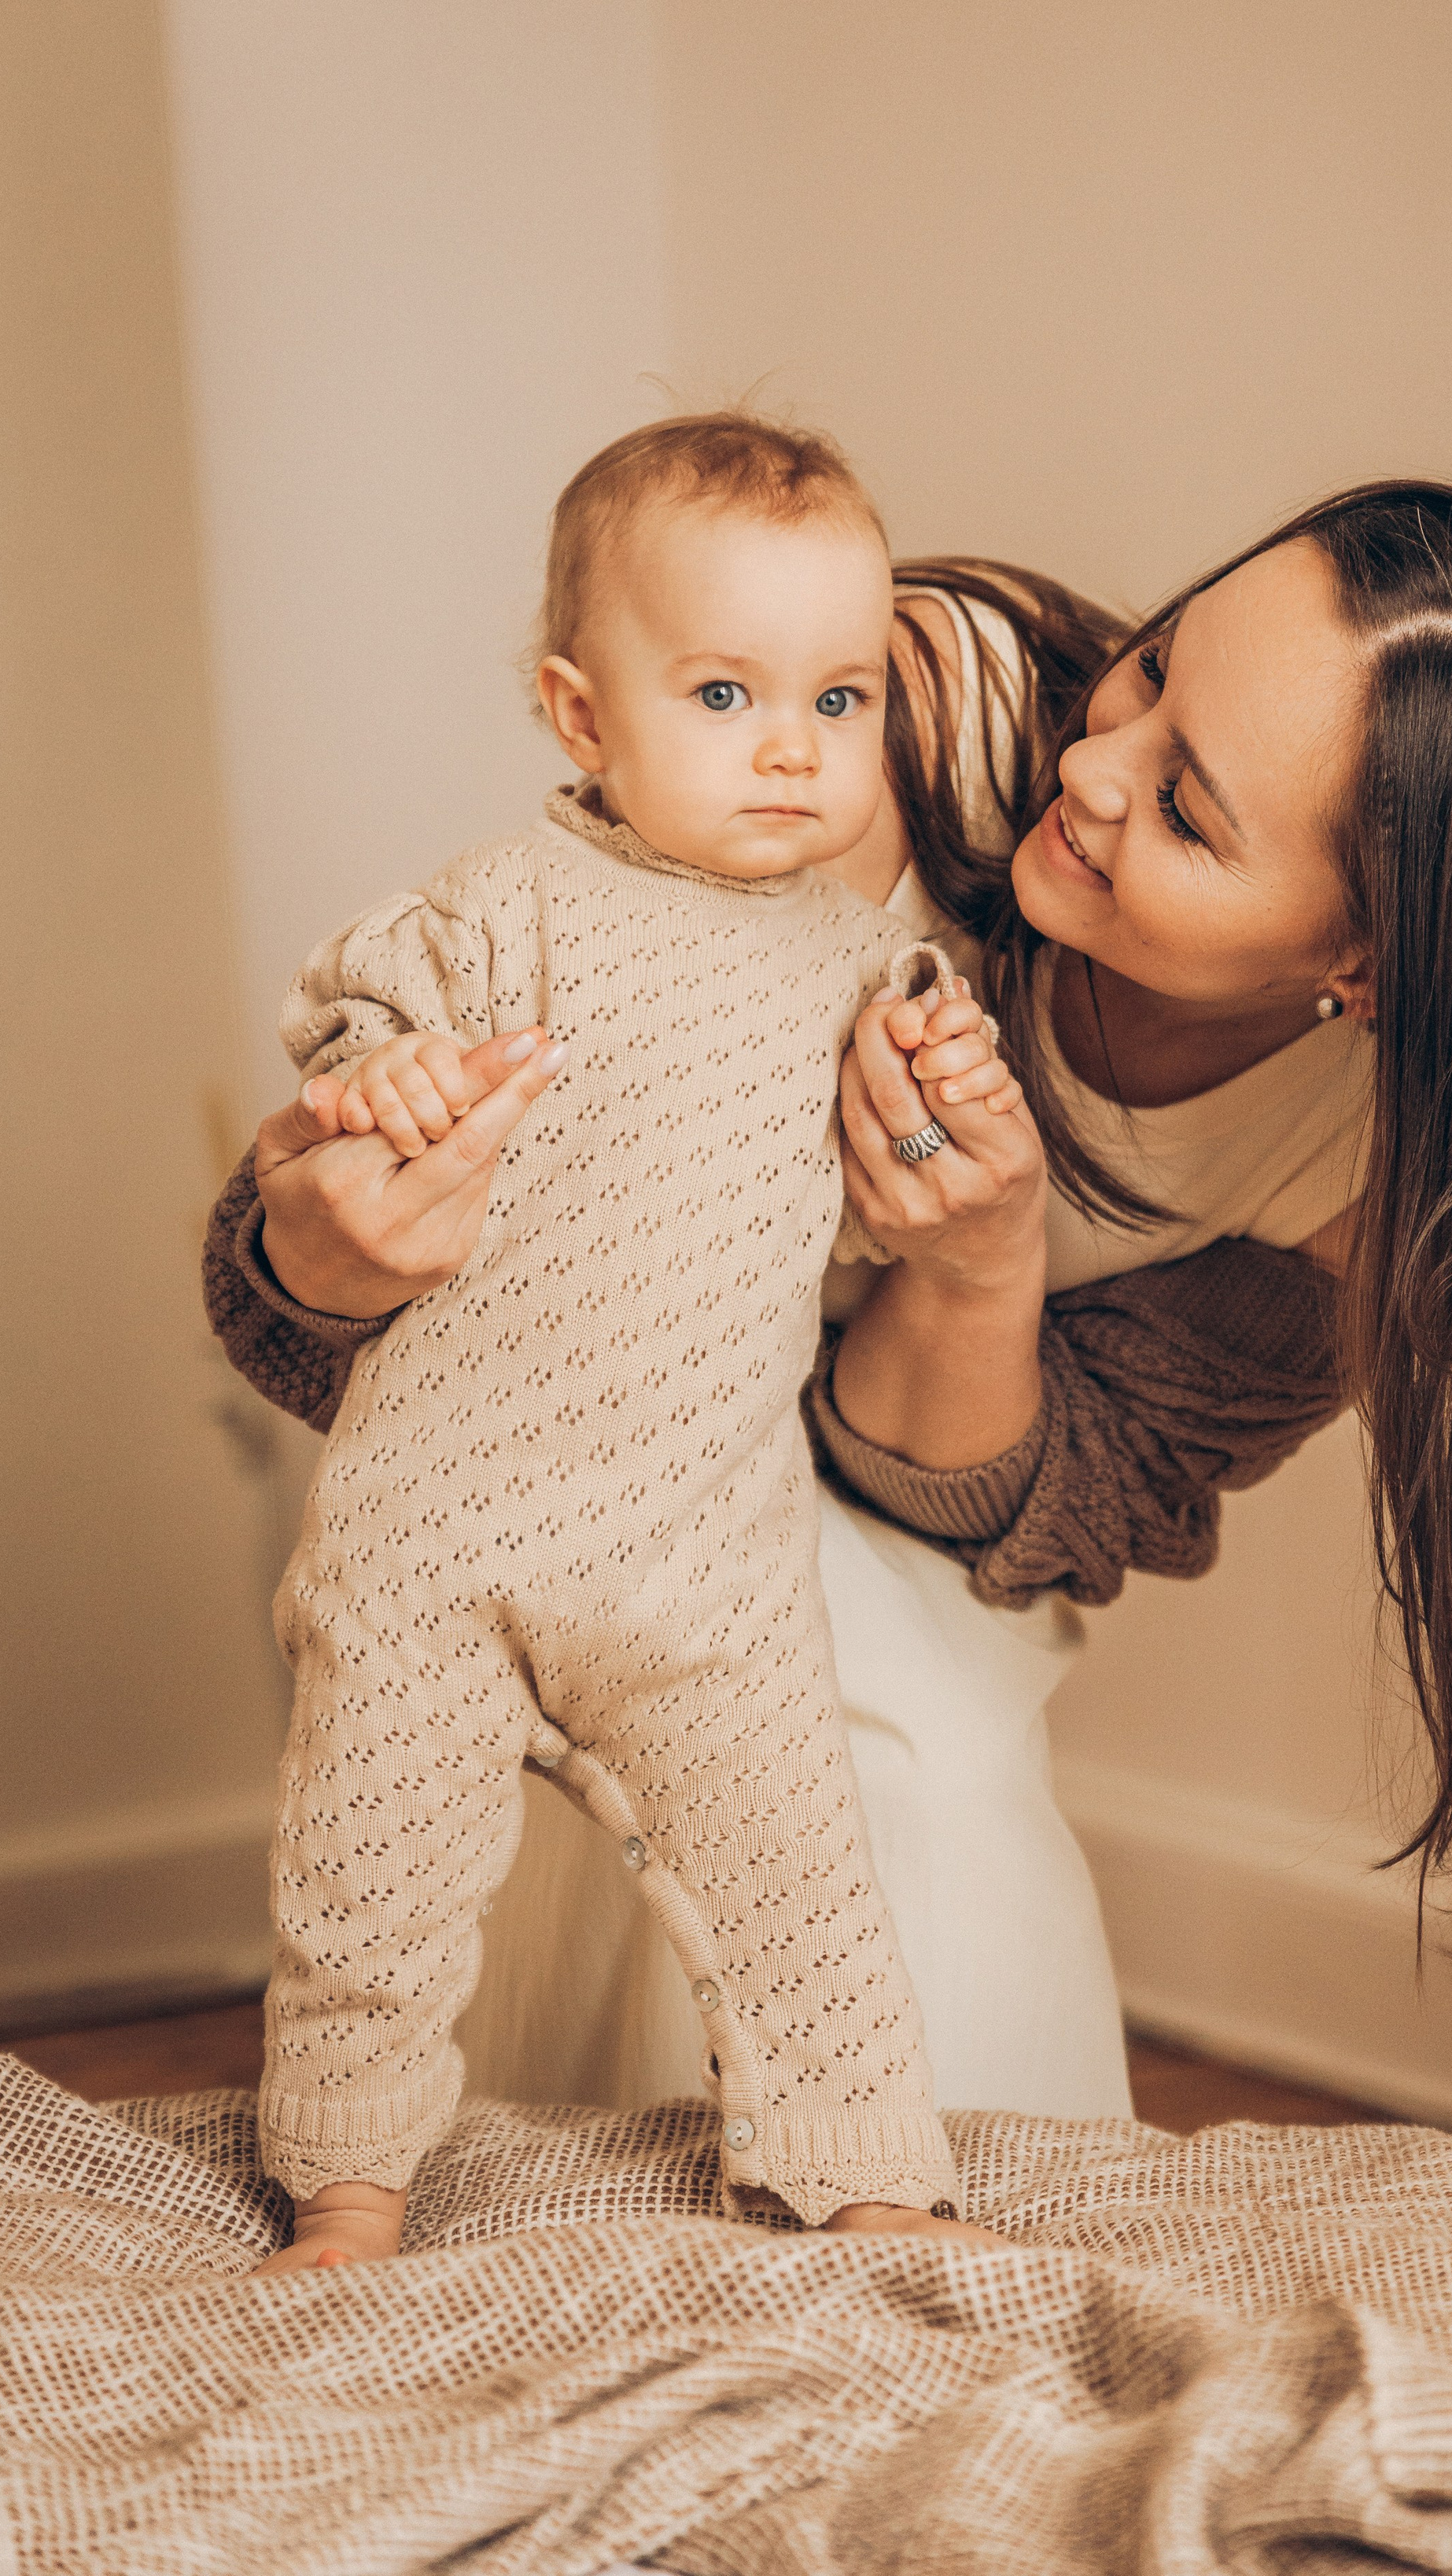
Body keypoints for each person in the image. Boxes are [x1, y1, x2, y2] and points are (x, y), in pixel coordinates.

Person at [205, 477, 1452, 2136]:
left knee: (904, 1751)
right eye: (1153, 667)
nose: (1094, 768)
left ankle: (931, 2236)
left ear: (1360, 962)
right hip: (581, 1406)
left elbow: (1012, 1513)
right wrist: (326, 1243)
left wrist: (974, 1264)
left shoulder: (1368, 1174)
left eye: (1187, 813)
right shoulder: (892, 720)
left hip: (886, 1503)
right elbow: (435, 1183)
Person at [250, 414, 1015, 2274]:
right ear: (581, 717)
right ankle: (349, 2194)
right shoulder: (510, 908)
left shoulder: (844, 951)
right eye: (728, 691)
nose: (790, 747)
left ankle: (869, 2179)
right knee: (371, 1891)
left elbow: (910, 1108)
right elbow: (354, 1015)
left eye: (838, 701)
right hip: (444, 1522)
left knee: (803, 1889)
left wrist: (946, 1086)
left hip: (703, 1553)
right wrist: (389, 1076)